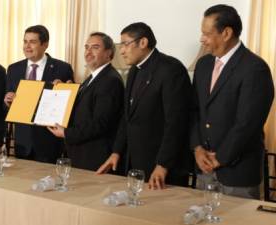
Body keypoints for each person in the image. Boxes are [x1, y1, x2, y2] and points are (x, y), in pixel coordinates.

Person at [190, 4, 274, 199]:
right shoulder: (203, 65)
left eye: (207, 34)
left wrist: (220, 158)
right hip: (204, 170)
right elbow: (194, 110)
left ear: (226, 33)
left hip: (238, 173)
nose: (202, 39)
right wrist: (197, 148)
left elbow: (247, 123)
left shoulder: (255, 68)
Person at [97, 22, 193, 190]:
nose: (121, 51)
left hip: (163, 166)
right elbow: (127, 116)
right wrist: (116, 152)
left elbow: (176, 123)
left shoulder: (171, 69)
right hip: (135, 161)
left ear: (143, 43)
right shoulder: (134, 70)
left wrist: (162, 164)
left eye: (126, 44)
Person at [47, 32, 124, 171]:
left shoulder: (110, 80)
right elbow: (86, 104)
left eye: (95, 47)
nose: (88, 52)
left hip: (95, 156)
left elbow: (101, 123)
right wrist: (66, 90)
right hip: (82, 153)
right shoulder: (93, 77)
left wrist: (66, 133)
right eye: (86, 47)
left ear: (108, 53)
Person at [4, 25, 74, 163]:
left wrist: (64, 90)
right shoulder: (13, 69)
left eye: (33, 42)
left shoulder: (62, 68)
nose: (27, 46)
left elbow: (70, 106)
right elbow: (7, 103)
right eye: (25, 41)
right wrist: (7, 101)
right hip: (22, 142)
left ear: (45, 44)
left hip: (49, 141)